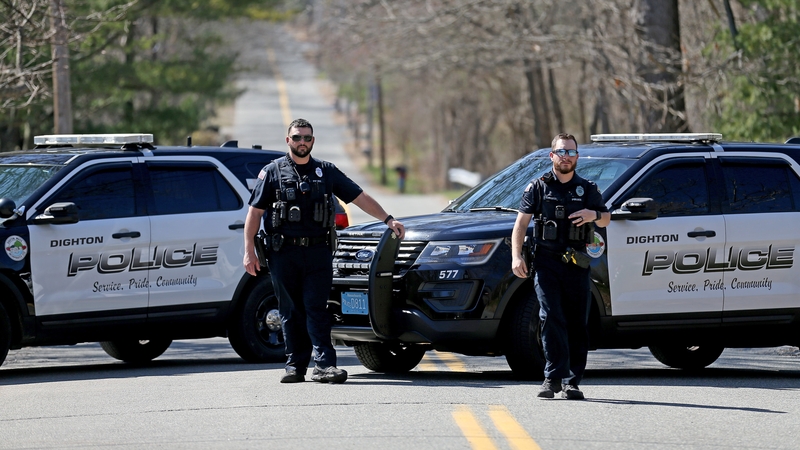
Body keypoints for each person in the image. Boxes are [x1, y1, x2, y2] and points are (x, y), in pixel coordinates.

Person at [243, 118, 405, 384]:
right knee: (290, 310)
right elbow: (255, 212)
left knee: (316, 308)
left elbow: (359, 196)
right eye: (297, 138)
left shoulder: (326, 171)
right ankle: (295, 366)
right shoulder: (272, 172)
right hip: (283, 253)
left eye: (307, 138)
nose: (302, 142)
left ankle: (324, 366)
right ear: (288, 141)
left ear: (313, 141)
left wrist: (389, 219)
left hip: (318, 252)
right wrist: (248, 250)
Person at [510, 133, 610, 400]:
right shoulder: (538, 187)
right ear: (552, 155)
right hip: (546, 262)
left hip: (577, 264)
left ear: (577, 157)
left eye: (571, 152)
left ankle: (571, 382)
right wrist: (516, 257)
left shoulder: (588, 189)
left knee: (578, 322)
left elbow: (607, 219)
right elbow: (520, 225)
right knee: (551, 316)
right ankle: (551, 378)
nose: (566, 157)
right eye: (562, 152)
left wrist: (594, 215)